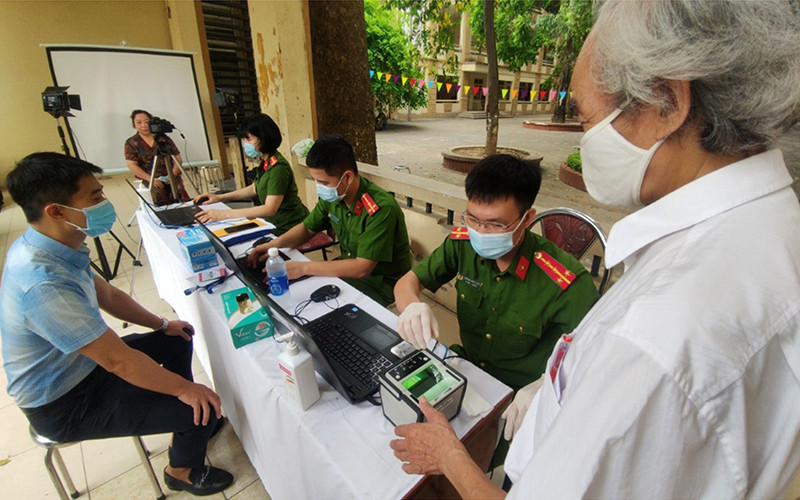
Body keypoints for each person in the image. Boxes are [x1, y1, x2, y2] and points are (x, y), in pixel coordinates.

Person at [389, 1, 800, 497]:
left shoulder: (655, 334)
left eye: (586, 120)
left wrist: (451, 453)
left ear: (667, 102)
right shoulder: (769, 233)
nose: (587, 142)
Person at [0, 153, 234, 496]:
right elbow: (117, 361)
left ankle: (187, 421)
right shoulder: (41, 283)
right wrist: (184, 390)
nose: (104, 203)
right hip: (65, 400)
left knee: (178, 337)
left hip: (84, 365)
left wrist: (162, 323)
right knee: (200, 404)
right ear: (57, 211)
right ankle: (180, 468)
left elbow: (107, 295)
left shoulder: (54, 246)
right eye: (95, 197)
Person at [394, 154, 598, 392]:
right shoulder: (463, 244)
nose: (481, 232)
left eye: (496, 224)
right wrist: (412, 306)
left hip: (520, 391)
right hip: (466, 369)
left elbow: (593, 354)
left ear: (526, 219)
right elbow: (408, 282)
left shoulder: (565, 282)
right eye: (473, 219)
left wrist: (543, 387)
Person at [247, 134, 412, 306]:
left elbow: (362, 268)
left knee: (309, 301)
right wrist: (273, 245)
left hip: (380, 283)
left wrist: (303, 268)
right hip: (348, 267)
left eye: (323, 182)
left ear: (347, 177)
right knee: (295, 292)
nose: (320, 188)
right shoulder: (334, 197)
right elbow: (307, 228)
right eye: (316, 181)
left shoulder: (381, 209)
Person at [193, 113, 309, 236]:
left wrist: (224, 214)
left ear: (263, 139)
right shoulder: (267, 162)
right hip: (273, 222)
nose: (245, 144)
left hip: (288, 225)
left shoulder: (278, 168)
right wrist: (220, 197)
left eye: (248, 139)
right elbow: (254, 188)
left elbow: (270, 209)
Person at [124, 109, 189, 205]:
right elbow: (132, 165)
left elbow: (177, 159)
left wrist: (172, 175)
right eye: (139, 122)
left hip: (170, 175)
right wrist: (151, 179)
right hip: (149, 177)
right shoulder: (132, 142)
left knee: (179, 191)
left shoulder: (163, 138)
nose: (144, 125)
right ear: (134, 125)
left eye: (146, 122)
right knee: (157, 195)